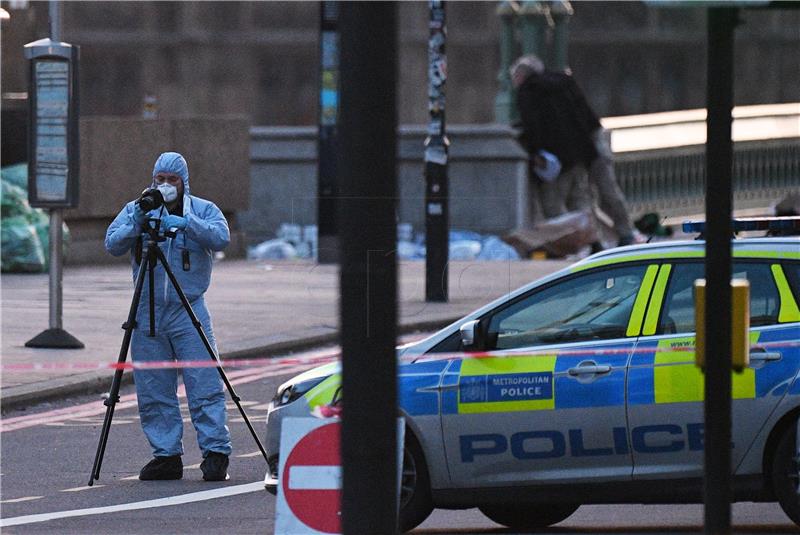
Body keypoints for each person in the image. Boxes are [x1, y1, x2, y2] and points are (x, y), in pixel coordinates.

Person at [105, 151, 232, 481]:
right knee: (153, 386)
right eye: (159, 179)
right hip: (147, 310)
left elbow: (221, 237)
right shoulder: (139, 208)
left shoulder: (203, 210)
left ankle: (216, 451)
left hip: (188, 307)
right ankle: (166, 454)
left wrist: (188, 224)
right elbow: (112, 243)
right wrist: (136, 222)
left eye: (171, 180)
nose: (164, 186)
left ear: (183, 182)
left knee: (203, 381)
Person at [511, 54, 636, 248]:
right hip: (585, 150)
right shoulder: (563, 82)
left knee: (554, 205)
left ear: (520, 76)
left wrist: (535, 152)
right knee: (584, 198)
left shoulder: (528, 91)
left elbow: (533, 125)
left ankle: (573, 244)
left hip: (558, 158)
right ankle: (607, 238)